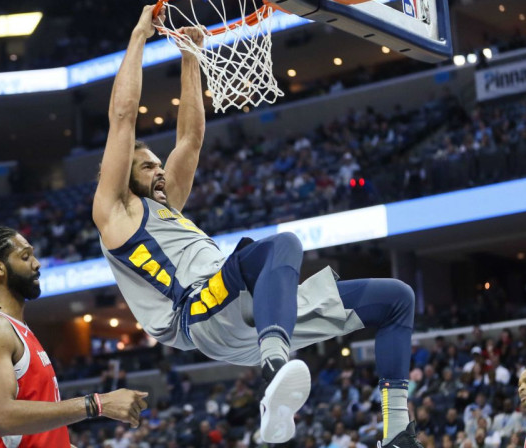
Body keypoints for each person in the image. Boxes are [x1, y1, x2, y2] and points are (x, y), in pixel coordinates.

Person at [93, 5, 421, 446]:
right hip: (200, 312)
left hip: (252, 316)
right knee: (281, 245)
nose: (158, 170)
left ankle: (397, 431)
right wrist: (138, 36)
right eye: (147, 166)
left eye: (157, 163)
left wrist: (191, 55)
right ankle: (275, 370)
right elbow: (122, 118)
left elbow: (189, 139)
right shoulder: (117, 213)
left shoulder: (171, 207)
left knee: (397, 300)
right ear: (123, 177)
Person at [0, 226, 148, 447]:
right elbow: (1, 418)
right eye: (25, 257)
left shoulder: (18, 328)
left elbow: (35, 432)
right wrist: (98, 403)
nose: (37, 264)